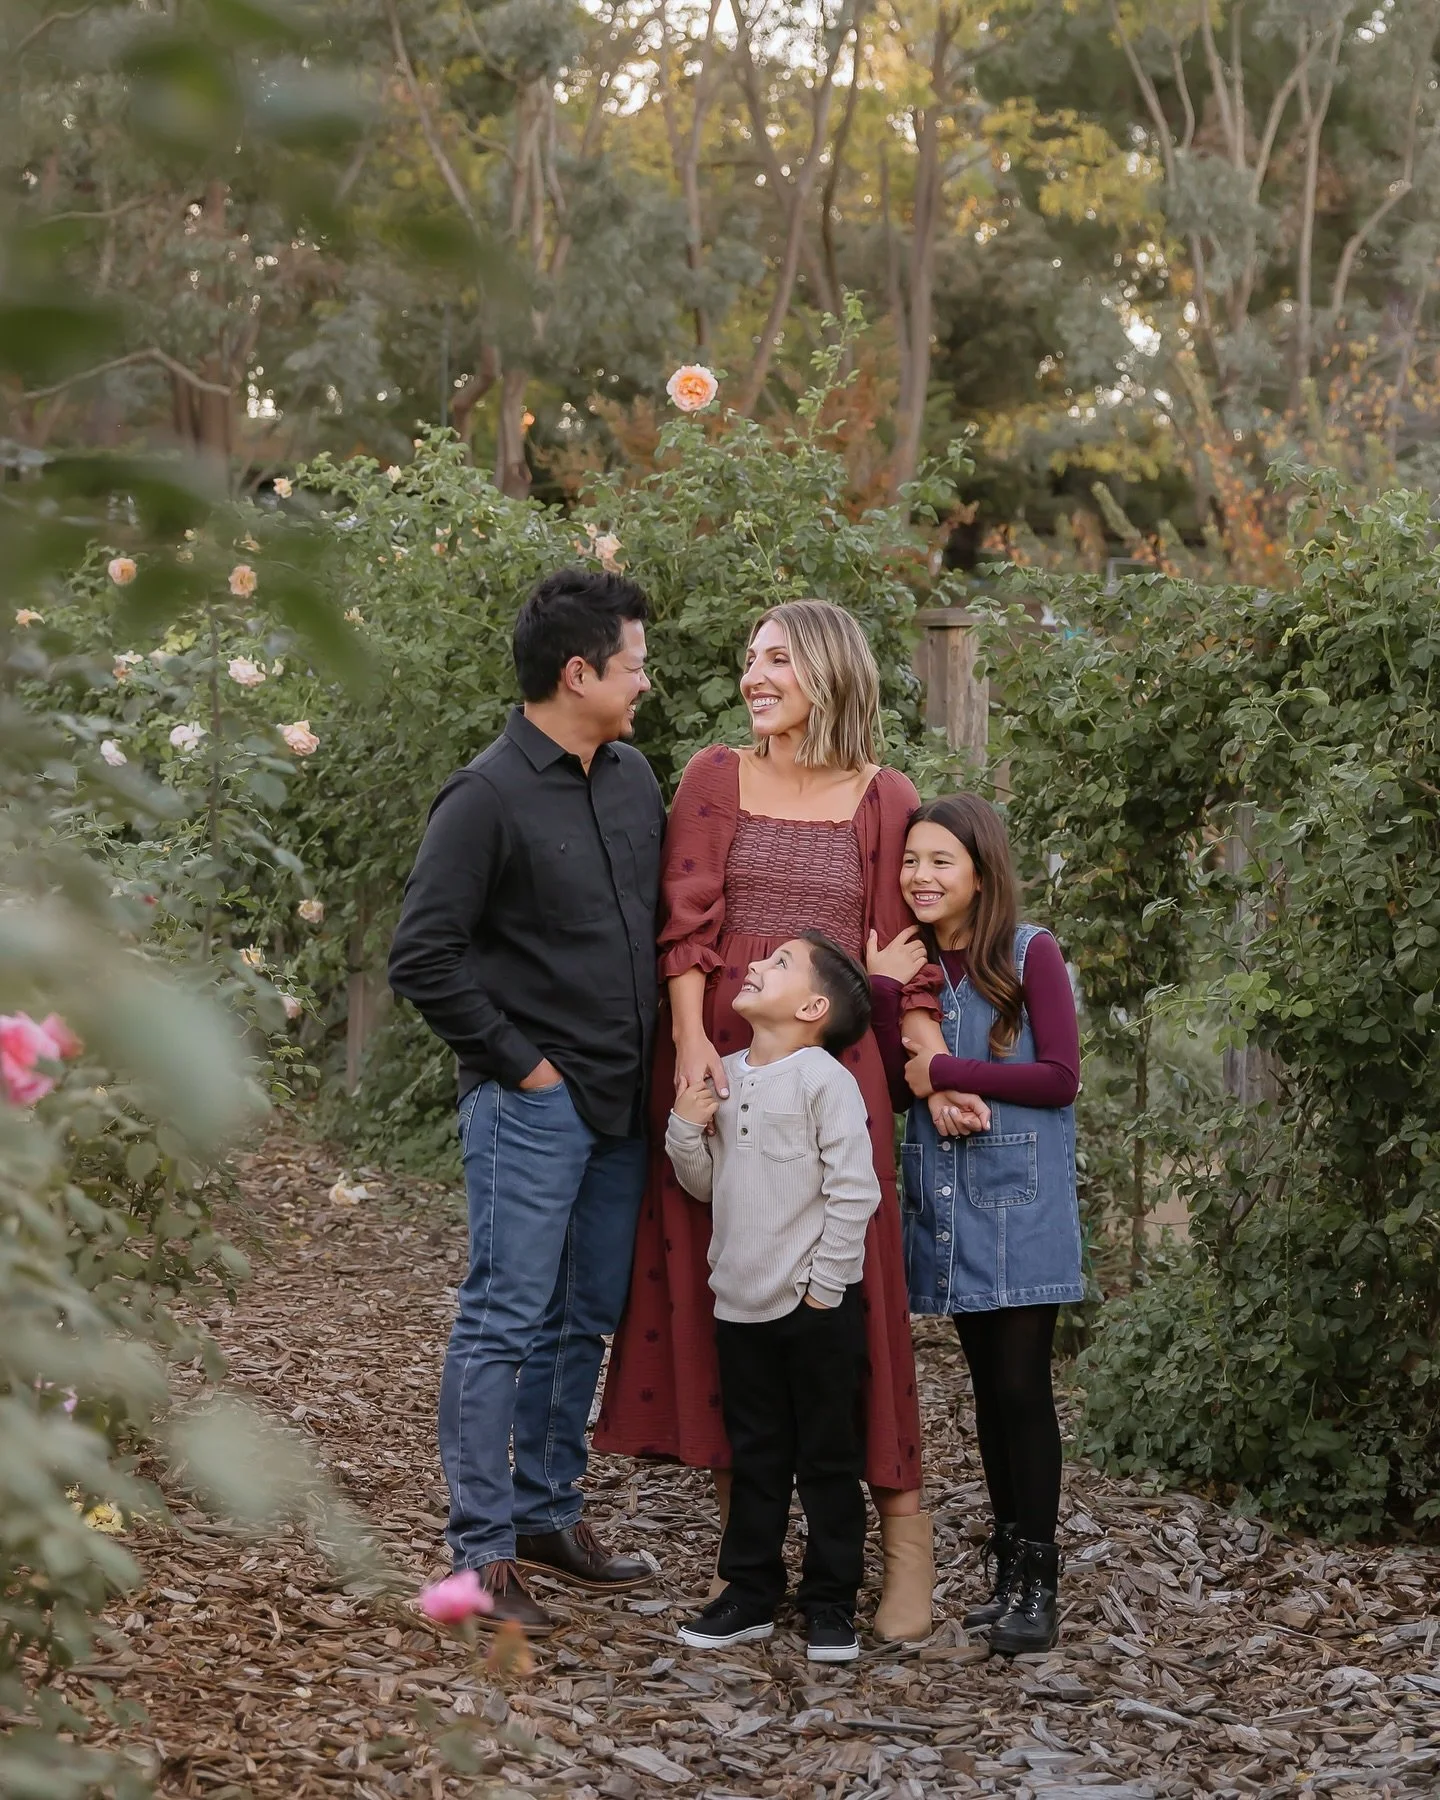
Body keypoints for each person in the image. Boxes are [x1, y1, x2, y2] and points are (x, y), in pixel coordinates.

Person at [595, 598, 943, 1642]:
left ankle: (900, 1544)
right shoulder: (711, 777)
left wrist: (929, 1067)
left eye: (778, 659)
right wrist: (696, 1046)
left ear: (830, 673)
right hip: (721, 1068)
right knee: (727, 1304)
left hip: (843, 1085)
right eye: (750, 659)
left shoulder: (886, 798)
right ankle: (748, 1564)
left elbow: (906, 962)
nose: (755, 675)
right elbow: (686, 926)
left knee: (851, 1312)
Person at [388, 568, 666, 1635]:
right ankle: (482, 1554)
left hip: (620, 1108)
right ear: (577, 671)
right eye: (633, 664)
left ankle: (549, 1514)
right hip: (532, 1106)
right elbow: (423, 956)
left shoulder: (636, 778)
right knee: (505, 1317)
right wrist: (524, 1068)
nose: (646, 681)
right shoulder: (486, 795)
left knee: (580, 1318)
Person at [868, 793, 1083, 1655]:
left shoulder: (1028, 954)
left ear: (982, 872)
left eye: (940, 862)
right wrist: (888, 997)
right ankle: (1007, 1577)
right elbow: (891, 1081)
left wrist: (948, 1068)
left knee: (1026, 1391)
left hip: (1021, 1208)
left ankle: (1040, 1584)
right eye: (911, 861)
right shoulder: (914, 968)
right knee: (989, 1396)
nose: (920, 877)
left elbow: (1059, 1076)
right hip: (948, 1207)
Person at [668, 933, 879, 1664]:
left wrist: (825, 1288)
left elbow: (856, 1190)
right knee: (754, 1457)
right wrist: (688, 1123)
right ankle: (751, 1592)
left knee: (826, 1459)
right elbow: (704, 1184)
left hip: (815, 1309)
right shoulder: (721, 1076)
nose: (755, 966)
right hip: (740, 1306)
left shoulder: (824, 1080)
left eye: (779, 964)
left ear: (814, 1007)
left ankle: (831, 1602)